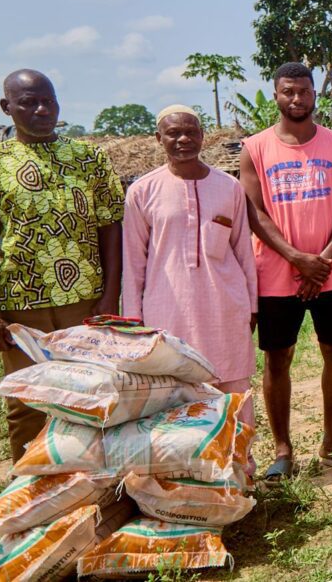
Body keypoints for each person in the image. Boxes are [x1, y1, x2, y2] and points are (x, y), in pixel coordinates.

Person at [0, 69, 123, 462]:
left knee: (89, 397)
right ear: (7, 107)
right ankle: (31, 492)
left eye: (48, 100)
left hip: (85, 301)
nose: (42, 109)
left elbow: (110, 227)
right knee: (28, 402)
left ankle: (88, 489)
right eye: (29, 102)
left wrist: (111, 295)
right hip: (21, 304)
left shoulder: (89, 159)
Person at [240, 62, 332, 479]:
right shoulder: (255, 148)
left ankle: (330, 443)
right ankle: (283, 450)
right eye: (288, 91)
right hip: (276, 272)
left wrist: (321, 261)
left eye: (303, 91)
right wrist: (296, 258)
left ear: (314, 94)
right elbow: (254, 212)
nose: (296, 99)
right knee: (278, 358)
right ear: (275, 94)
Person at [122, 106, 258, 439]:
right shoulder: (142, 191)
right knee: (172, 391)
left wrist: (252, 306)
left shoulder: (229, 187)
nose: (183, 139)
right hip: (166, 312)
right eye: (173, 133)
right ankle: (182, 472)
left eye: (191, 132)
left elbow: (243, 250)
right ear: (158, 139)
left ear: (203, 136)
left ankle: (239, 469)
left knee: (232, 387)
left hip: (225, 307)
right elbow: (133, 260)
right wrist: (133, 320)